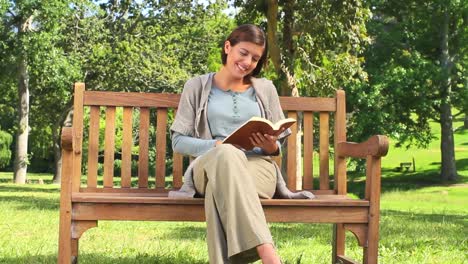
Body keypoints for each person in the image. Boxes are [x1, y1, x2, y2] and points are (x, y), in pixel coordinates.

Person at [169, 24, 313, 264]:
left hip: (258, 169)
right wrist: (215, 146)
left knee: (220, 190)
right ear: (228, 47)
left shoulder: (265, 88)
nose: (248, 62)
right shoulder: (196, 86)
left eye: (255, 58)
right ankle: (267, 252)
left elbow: (279, 140)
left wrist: (271, 147)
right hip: (209, 166)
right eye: (243, 53)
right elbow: (178, 141)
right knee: (225, 155)